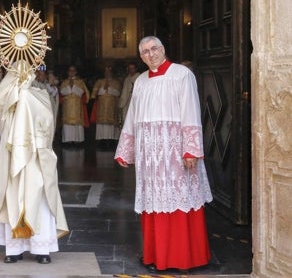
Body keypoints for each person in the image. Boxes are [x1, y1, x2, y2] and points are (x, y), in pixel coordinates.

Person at [114, 36, 213, 272]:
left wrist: (190, 149)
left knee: (180, 199)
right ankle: (155, 255)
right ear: (141, 57)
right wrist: (125, 150)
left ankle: (184, 258)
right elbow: (132, 116)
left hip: (176, 153)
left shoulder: (181, 75)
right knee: (154, 201)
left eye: (154, 49)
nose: (151, 54)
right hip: (150, 156)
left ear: (163, 49)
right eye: (145, 52)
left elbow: (191, 110)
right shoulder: (140, 81)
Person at [0, 60, 69, 265]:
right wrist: (16, 94)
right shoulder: (6, 95)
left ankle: (41, 247)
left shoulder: (41, 95)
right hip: (12, 158)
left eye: (26, 73)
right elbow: (3, 117)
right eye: (18, 74)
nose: (23, 77)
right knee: (12, 201)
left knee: (39, 200)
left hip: (36, 157)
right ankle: (13, 249)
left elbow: (48, 122)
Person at [90, 66, 122, 144]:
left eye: (109, 72)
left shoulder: (116, 82)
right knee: (102, 123)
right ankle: (102, 139)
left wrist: (110, 90)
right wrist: (102, 91)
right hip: (101, 106)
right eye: (106, 72)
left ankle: (111, 140)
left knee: (110, 123)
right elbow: (94, 94)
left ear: (112, 73)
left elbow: (118, 93)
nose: (107, 74)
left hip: (111, 106)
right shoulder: (99, 81)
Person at [59, 65, 90, 144]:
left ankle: (78, 141)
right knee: (67, 124)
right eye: (70, 71)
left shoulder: (80, 82)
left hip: (77, 106)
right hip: (67, 107)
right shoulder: (65, 82)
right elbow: (62, 91)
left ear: (76, 72)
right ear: (68, 72)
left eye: (73, 71)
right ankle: (68, 141)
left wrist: (72, 88)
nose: (71, 72)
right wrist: (71, 89)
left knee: (77, 123)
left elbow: (82, 92)